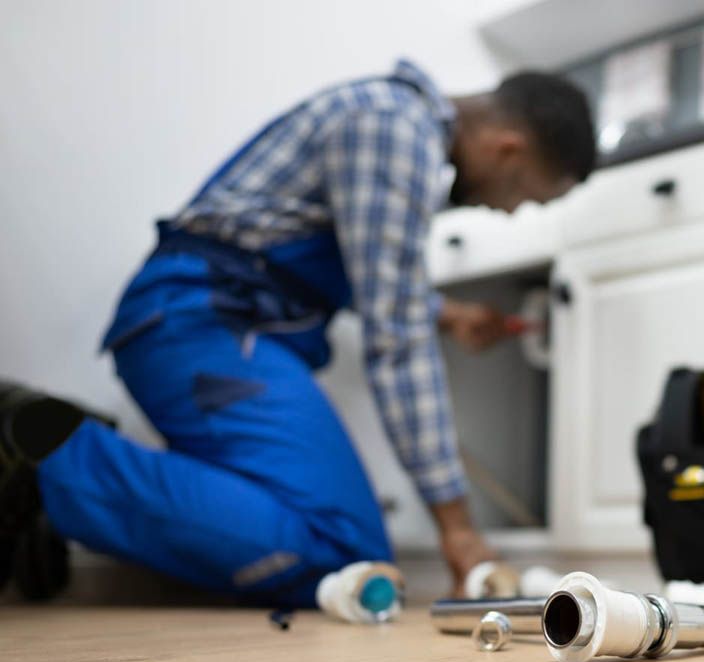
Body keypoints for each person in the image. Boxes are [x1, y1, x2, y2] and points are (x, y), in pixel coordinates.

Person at [0, 60, 596, 604]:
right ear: (507, 149)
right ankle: (44, 458)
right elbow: (397, 339)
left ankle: (69, 467)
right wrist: (459, 529)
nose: (510, 211)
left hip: (217, 325)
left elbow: (364, 276)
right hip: (197, 323)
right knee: (343, 553)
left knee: (346, 550)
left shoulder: (393, 122)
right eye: (523, 195)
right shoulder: (393, 130)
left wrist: (447, 313)